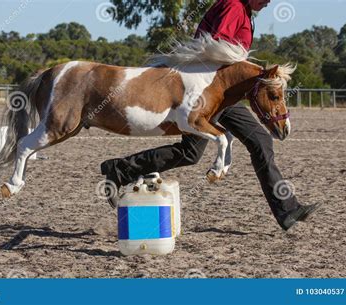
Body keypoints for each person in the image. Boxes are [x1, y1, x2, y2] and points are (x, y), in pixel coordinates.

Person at [100, 0, 319, 231]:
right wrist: (253, 74)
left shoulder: (242, 11)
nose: (268, 2)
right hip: (211, 93)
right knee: (259, 141)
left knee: (191, 151)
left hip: (221, 94)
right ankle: (288, 210)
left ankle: (121, 170)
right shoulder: (234, 6)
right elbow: (213, 48)